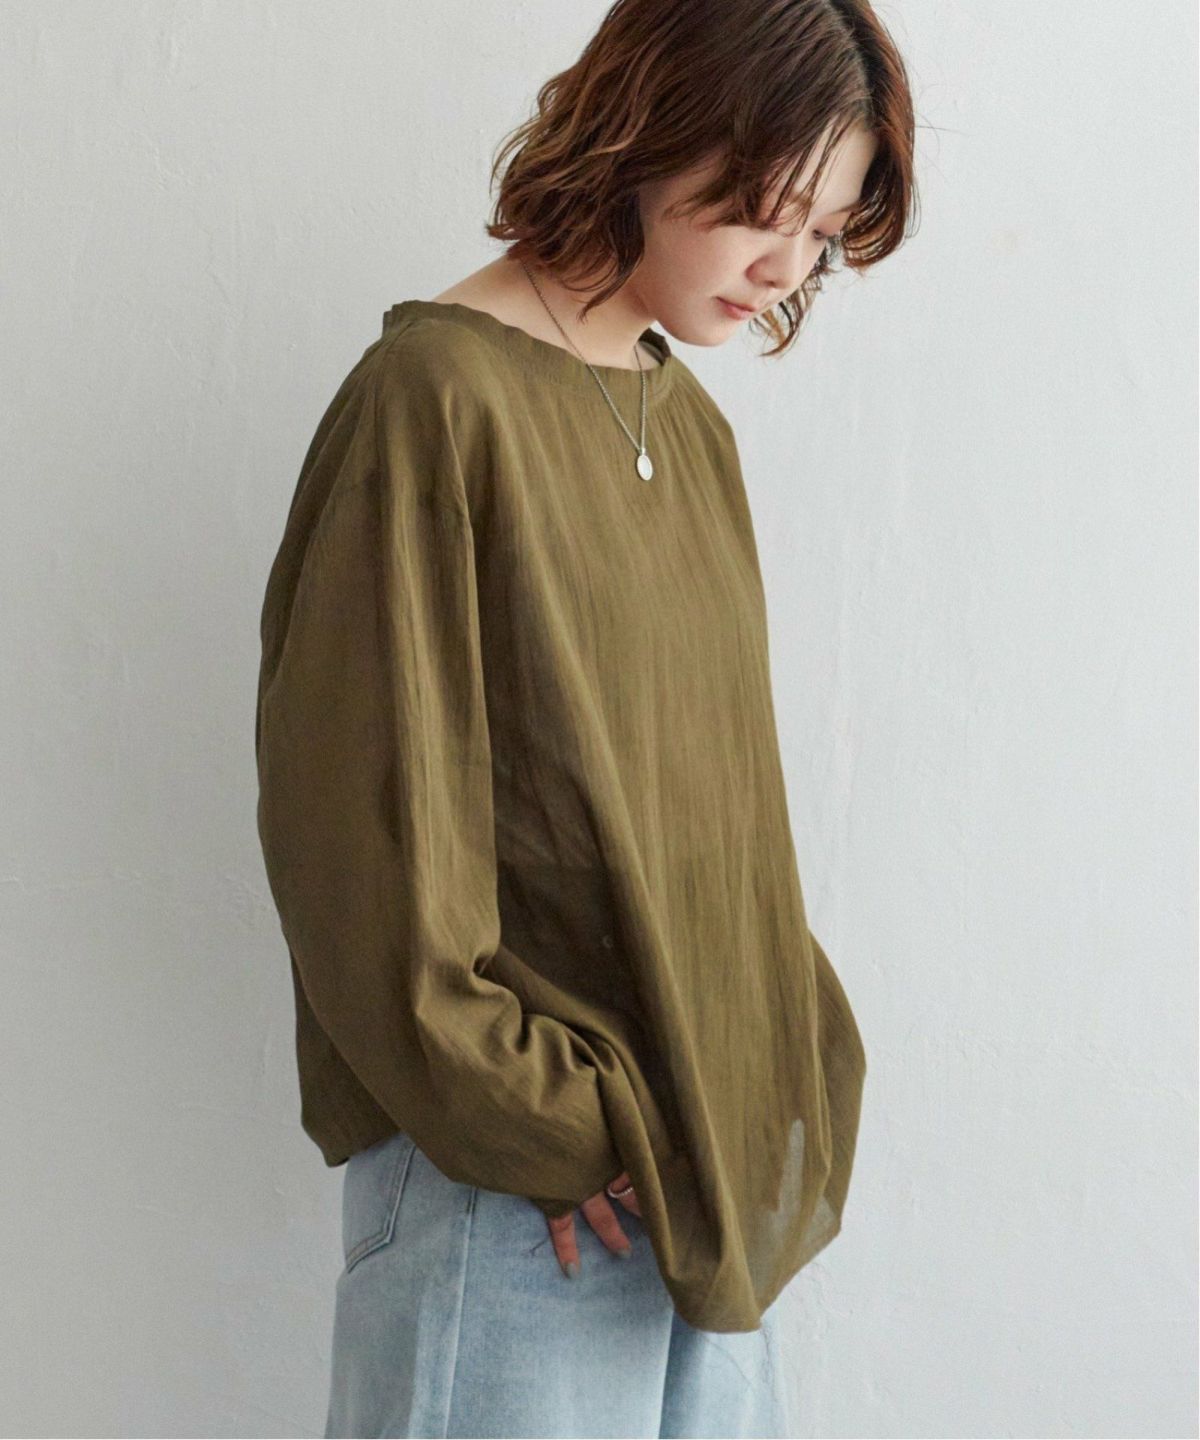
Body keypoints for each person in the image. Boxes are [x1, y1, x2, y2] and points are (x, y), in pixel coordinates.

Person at [254, 0, 916, 1434]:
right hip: (516, 1194)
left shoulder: (688, 424)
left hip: (697, 1182)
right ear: (654, 129)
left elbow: (714, 813)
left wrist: (764, 1076)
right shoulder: (434, 401)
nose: (787, 268)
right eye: (770, 212)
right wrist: (544, 1128)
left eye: (825, 233)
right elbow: (360, 835)